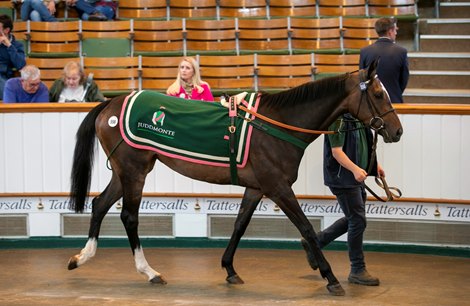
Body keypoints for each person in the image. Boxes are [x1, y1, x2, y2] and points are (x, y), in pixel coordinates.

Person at [302, 114, 384, 286]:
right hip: (343, 179)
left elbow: (363, 145)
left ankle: (315, 243)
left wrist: (374, 165)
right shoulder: (337, 119)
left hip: (354, 177)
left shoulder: (358, 118)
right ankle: (357, 269)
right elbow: (336, 152)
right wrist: (355, 170)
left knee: (354, 219)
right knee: (358, 220)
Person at [359, 17, 409, 103]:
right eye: (395, 30)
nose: (396, 33)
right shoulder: (401, 52)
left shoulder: (365, 51)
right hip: (393, 101)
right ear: (390, 31)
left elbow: (362, 79)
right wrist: (395, 92)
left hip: (371, 103)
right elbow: (404, 79)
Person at [0, 14, 26, 99]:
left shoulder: (17, 45)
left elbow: (20, 65)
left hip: (3, 77)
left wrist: (9, 46)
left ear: (6, 30)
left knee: (7, 90)